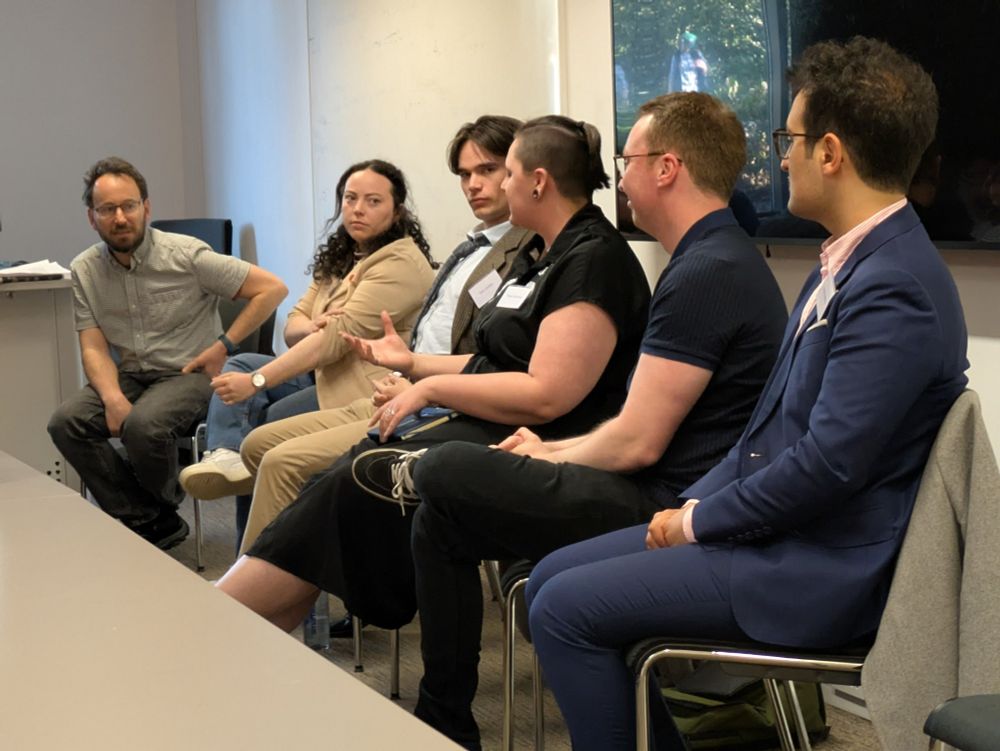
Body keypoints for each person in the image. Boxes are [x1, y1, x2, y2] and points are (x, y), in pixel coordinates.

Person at [526, 36, 969, 751]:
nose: (780, 159)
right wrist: (688, 507)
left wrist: (700, 523)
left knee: (563, 611)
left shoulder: (895, 286)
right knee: (548, 576)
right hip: (786, 535)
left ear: (830, 153)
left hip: (817, 567)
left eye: (788, 140)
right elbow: (767, 435)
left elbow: (826, 465)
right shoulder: (849, 261)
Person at [406, 92, 788, 749]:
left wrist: (547, 455)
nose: (620, 179)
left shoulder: (707, 271)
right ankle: (444, 720)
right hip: (660, 484)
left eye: (627, 160)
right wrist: (548, 451)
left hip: (670, 501)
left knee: (442, 468)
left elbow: (638, 442)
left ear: (666, 168)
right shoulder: (709, 256)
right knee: (441, 513)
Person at [215, 115, 651, 639]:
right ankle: (244, 627)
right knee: (345, 472)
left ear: (537, 181)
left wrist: (428, 386)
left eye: (503, 173)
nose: (490, 186)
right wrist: (414, 364)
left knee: (358, 474)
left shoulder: (591, 259)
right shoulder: (543, 252)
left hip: (538, 439)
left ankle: (228, 619)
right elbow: (494, 361)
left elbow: (545, 396)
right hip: (485, 413)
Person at [232, 115, 533, 559]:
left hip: (432, 399)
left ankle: (260, 587)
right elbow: (295, 321)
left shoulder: (521, 251)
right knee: (256, 439)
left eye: (487, 170)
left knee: (279, 455)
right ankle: (302, 566)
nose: (473, 185)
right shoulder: (467, 246)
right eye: (464, 174)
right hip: (396, 386)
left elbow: (335, 335)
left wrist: (265, 375)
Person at [47, 157, 287, 548]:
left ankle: (154, 508)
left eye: (129, 205)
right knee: (66, 422)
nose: (120, 218)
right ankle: (152, 518)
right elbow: (93, 346)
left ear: (146, 207)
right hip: (131, 374)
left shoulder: (187, 255)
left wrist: (224, 346)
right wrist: (112, 398)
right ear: (92, 217)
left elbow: (272, 289)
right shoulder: (85, 270)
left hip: (189, 373)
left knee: (143, 426)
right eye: (107, 209)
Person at [177, 160, 435, 508]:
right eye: (350, 198)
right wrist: (313, 326)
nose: (358, 209)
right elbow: (294, 325)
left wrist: (257, 381)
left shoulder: (399, 264)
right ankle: (225, 454)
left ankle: (257, 512)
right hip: (320, 372)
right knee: (241, 362)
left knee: (264, 426)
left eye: (373, 201)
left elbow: (334, 341)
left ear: (398, 211)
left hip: (357, 386)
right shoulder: (342, 257)